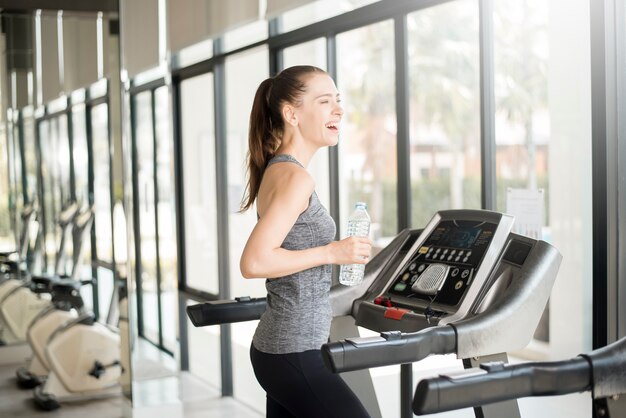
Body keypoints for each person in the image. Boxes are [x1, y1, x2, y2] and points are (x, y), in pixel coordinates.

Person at [239, 65, 372, 418]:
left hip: (285, 348)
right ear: (291, 113)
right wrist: (333, 251)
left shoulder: (278, 169)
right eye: (325, 101)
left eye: (338, 101)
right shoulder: (295, 178)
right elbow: (254, 262)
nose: (339, 110)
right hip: (293, 350)